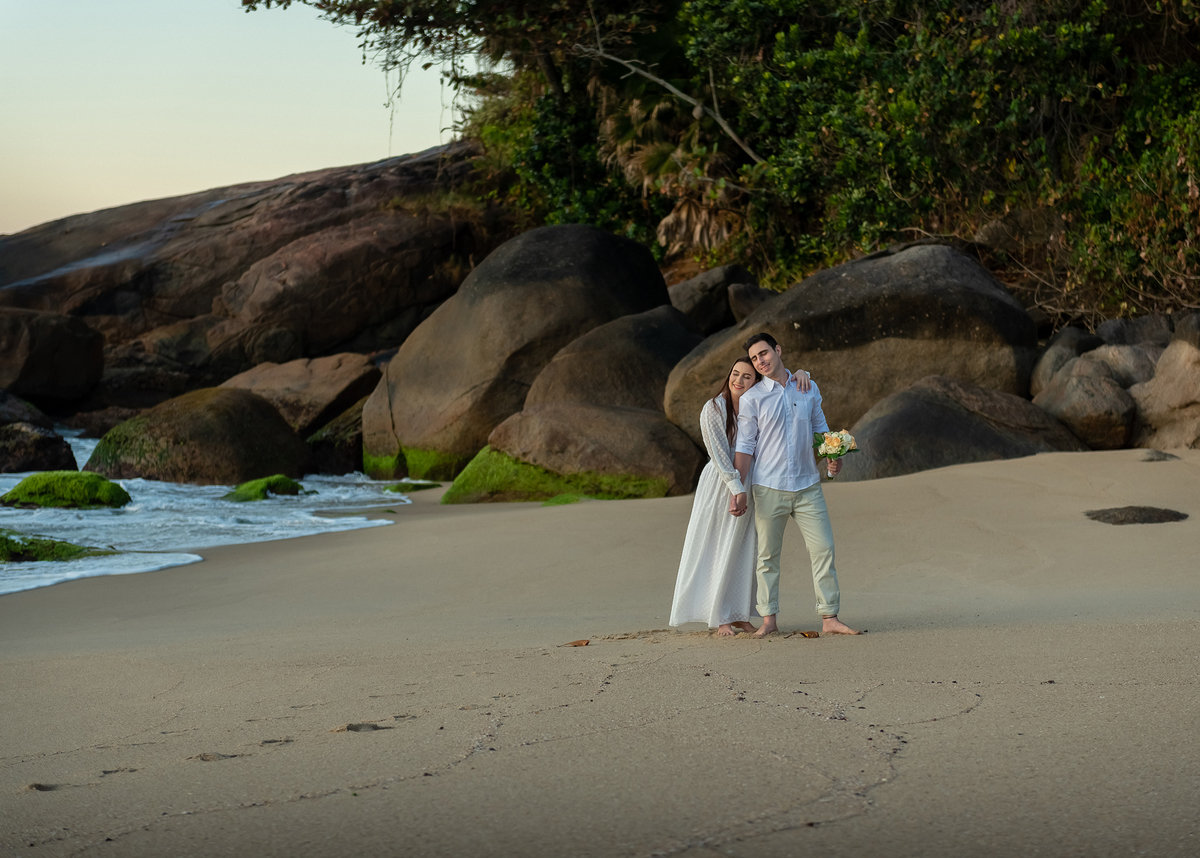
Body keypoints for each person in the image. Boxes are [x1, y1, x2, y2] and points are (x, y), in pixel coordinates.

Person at [732, 332, 860, 638]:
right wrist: (738, 488)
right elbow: (745, 446)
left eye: (764, 353)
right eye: (754, 358)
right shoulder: (752, 398)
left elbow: (821, 431)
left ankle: (830, 617)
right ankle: (769, 620)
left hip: (808, 487)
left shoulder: (808, 387)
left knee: (823, 549)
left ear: (777, 350)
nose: (760, 361)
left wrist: (832, 459)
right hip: (769, 487)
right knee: (767, 557)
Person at [670, 358, 810, 636]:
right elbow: (719, 455)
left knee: (745, 548)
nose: (739, 380)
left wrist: (801, 373)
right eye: (735, 374)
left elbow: (782, 389)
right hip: (722, 483)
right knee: (718, 545)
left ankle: (740, 614)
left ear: (757, 382)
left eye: (747, 376)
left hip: (752, 481)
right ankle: (720, 616)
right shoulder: (713, 408)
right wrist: (736, 488)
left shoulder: (757, 404)